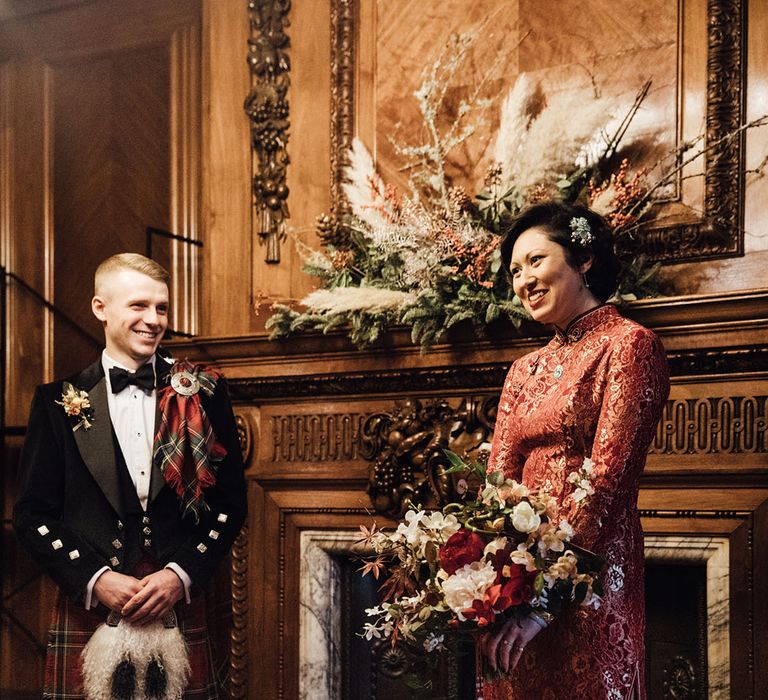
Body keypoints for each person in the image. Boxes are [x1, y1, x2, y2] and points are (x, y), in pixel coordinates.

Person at [14, 253, 247, 699]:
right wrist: (96, 578)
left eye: (161, 308)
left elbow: (230, 506)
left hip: (177, 605)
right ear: (101, 308)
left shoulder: (204, 392)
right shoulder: (57, 402)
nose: (153, 320)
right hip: (92, 610)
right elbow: (32, 515)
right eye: (138, 306)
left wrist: (179, 574)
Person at [479, 203, 669, 699]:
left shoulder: (630, 345)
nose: (524, 280)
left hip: (591, 578)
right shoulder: (522, 370)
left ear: (583, 259)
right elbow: (495, 485)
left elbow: (608, 481)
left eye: (536, 261)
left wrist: (545, 602)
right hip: (516, 589)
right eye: (515, 271)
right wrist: (493, 586)